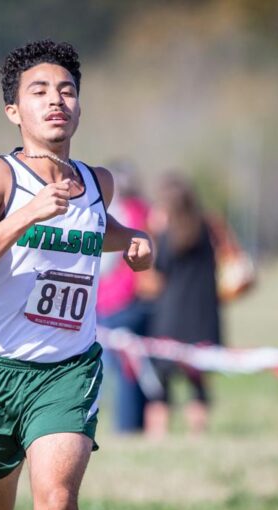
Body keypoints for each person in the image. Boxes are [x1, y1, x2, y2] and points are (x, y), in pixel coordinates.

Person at [0, 39, 153, 510]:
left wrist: (131, 240)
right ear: (14, 109)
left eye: (67, 90)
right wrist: (24, 216)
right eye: (39, 91)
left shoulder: (96, 182)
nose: (56, 99)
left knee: (57, 508)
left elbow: (96, 228)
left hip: (66, 371)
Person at [144, 172, 221, 438]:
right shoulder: (205, 230)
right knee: (197, 380)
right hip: (202, 314)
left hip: (171, 314)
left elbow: (157, 274)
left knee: (161, 382)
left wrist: (154, 231)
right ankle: (197, 433)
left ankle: (159, 434)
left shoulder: (168, 236)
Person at [95, 161, 154, 433]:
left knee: (123, 370)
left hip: (117, 299)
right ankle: (134, 424)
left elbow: (104, 261)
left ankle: (126, 427)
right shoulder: (146, 210)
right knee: (137, 367)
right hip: (140, 299)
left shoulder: (118, 212)